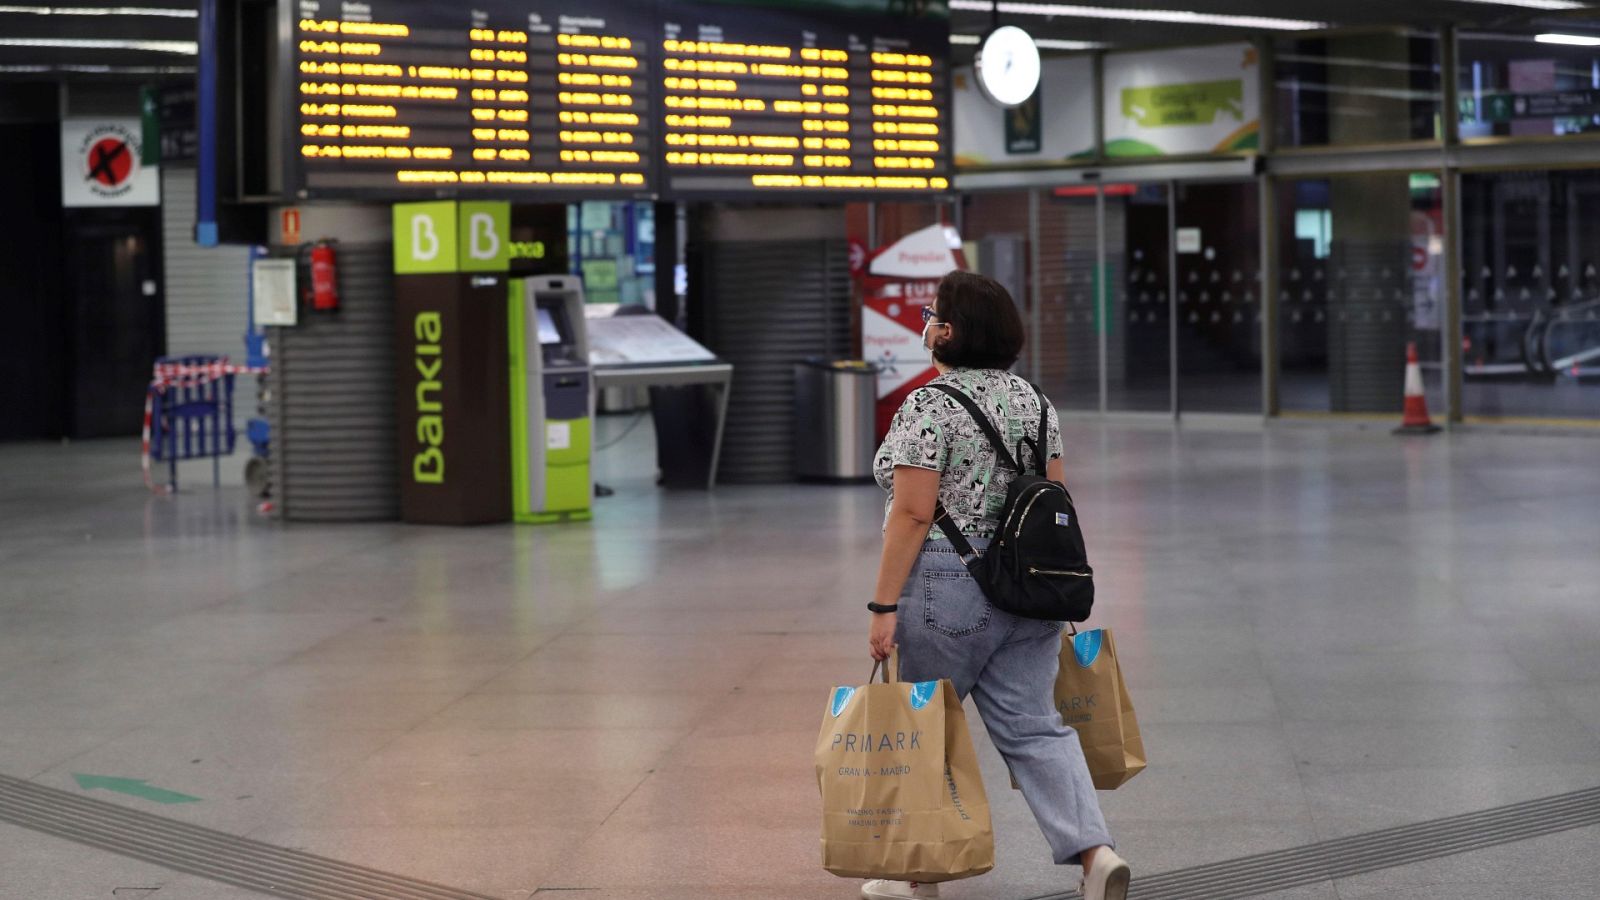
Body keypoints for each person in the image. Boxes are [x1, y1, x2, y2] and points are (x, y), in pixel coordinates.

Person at [862, 271, 1130, 900]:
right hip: (1027, 586)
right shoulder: (1036, 403)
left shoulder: (927, 405)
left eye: (932, 314)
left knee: (926, 727)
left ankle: (919, 877)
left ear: (949, 331)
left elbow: (912, 512)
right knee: (1035, 728)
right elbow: (1054, 499)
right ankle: (1097, 855)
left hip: (944, 587)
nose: (925, 322)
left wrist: (881, 604)